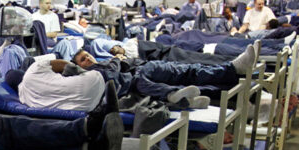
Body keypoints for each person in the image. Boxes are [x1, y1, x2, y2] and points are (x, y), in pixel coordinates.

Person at [72, 46, 258, 108]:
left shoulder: (104, 62)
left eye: (87, 55)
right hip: (140, 74)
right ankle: (235, 83)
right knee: (186, 75)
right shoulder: (94, 73)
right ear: (78, 67)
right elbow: (115, 71)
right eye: (82, 60)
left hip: (141, 72)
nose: (87, 58)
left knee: (187, 72)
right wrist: (116, 59)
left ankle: (233, 71)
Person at [18, 57, 106, 112]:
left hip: (87, 106)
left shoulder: (24, 99)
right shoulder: (34, 69)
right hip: (94, 82)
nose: (87, 58)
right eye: (83, 59)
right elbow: (67, 65)